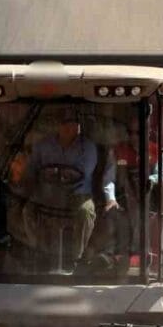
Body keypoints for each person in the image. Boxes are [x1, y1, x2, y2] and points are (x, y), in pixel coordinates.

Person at [21, 111, 116, 270]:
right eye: (65, 123)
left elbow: (83, 173)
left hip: (78, 193)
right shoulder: (42, 145)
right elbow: (32, 169)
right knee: (28, 210)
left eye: (74, 123)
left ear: (79, 126)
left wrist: (58, 175)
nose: (70, 127)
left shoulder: (88, 147)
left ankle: (76, 258)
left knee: (85, 211)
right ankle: (40, 252)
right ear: (58, 125)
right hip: (48, 193)